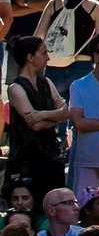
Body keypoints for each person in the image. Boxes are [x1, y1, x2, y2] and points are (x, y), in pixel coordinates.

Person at [5, 33, 69, 201]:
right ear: (30, 57)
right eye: (43, 53)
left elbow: (67, 110)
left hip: (52, 154)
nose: (48, 58)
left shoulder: (46, 83)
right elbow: (34, 125)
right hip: (29, 158)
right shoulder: (16, 88)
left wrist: (41, 115)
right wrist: (58, 116)